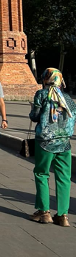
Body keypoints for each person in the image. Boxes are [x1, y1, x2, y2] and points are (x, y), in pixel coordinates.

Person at [29, 68, 75, 226]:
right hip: (64, 144)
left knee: (41, 174)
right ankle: (62, 216)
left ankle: (44, 212)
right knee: (64, 178)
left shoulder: (42, 95)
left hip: (45, 142)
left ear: (45, 79)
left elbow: (34, 116)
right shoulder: (68, 99)